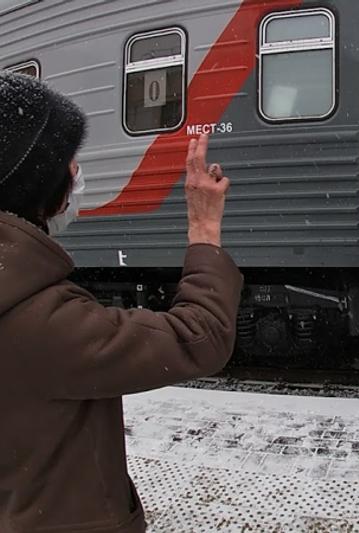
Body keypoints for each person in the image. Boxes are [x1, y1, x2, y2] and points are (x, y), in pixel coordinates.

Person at [0, 71, 242, 532]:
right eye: (68, 162)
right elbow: (201, 337)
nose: (77, 173)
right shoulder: (40, 323)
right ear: (38, 191)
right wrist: (204, 230)